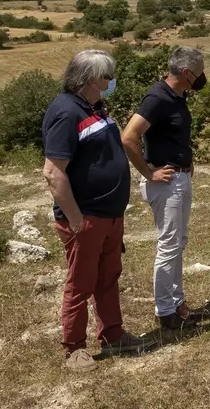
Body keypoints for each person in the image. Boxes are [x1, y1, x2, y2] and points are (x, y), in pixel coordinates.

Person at [42, 49, 154, 371]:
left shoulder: (94, 107)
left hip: (109, 215)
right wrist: (76, 219)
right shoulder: (66, 112)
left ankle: (113, 335)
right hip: (86, 217)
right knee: (81, 283)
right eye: (108, 76)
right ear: (92, 79)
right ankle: (74, 348)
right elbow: (53, 171)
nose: (111, 81)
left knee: (108, 278)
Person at [121, 46, 209, 331]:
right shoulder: (157, 98)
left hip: (179, 179)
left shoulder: (177, 96)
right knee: (169, 245)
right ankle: (165, 311)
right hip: (166, 182)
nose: (201, 78)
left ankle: (177, 304)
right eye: (198, 73)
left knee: (178, 242)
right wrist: (148, 171)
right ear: (186, 73)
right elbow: (128, 137)